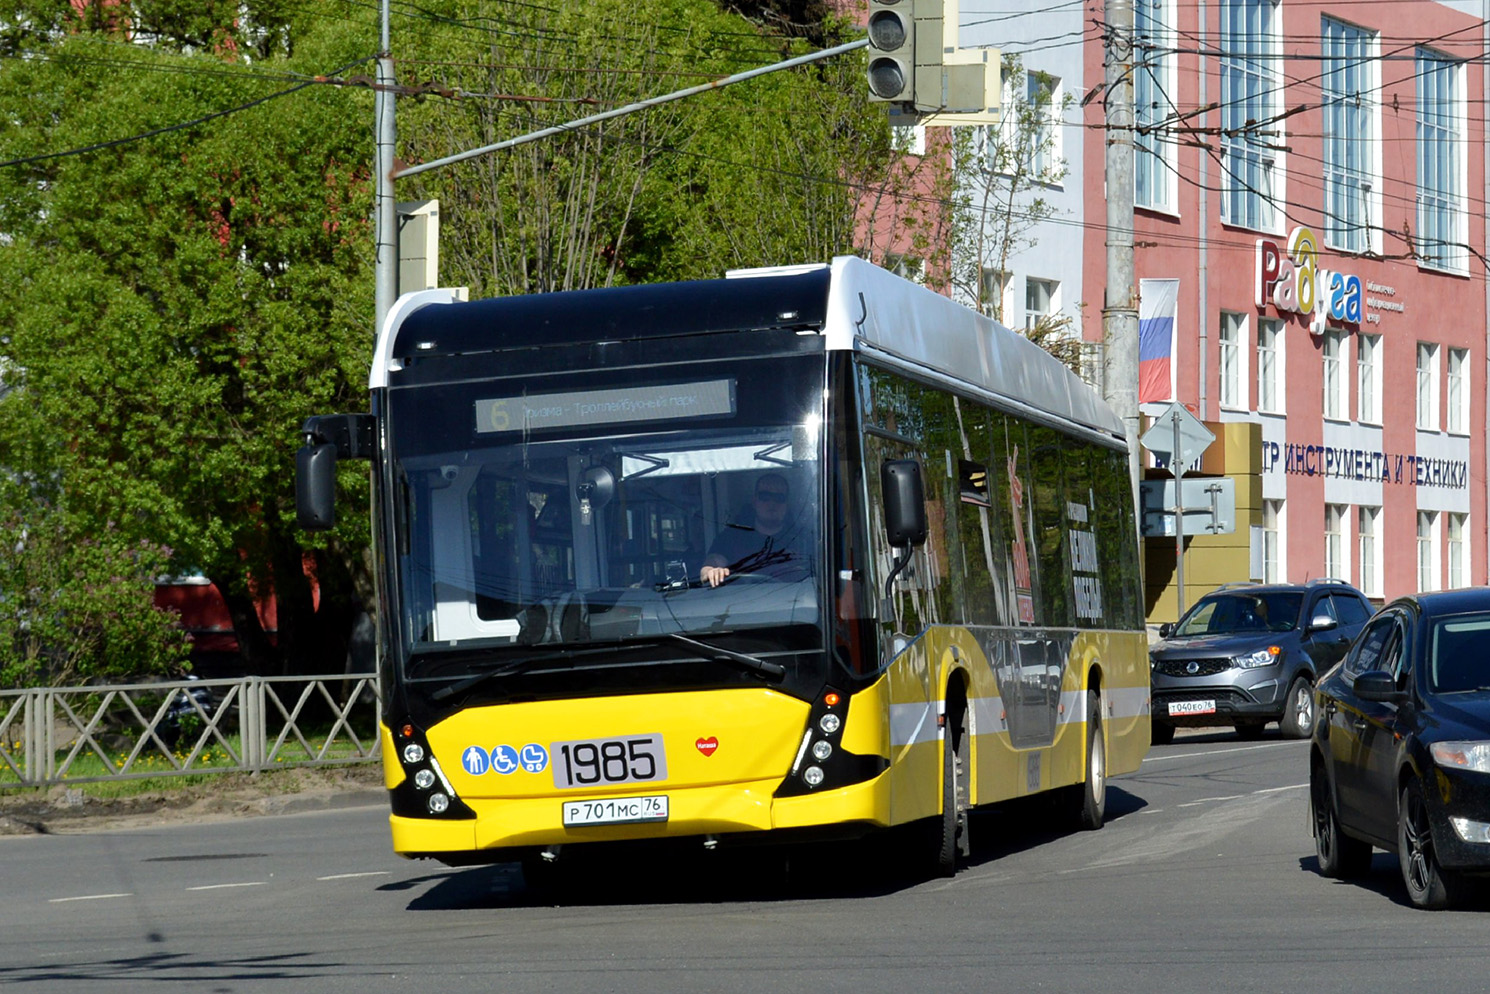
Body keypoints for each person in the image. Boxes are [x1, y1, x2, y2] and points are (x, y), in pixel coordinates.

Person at [699, 473, 809, 587]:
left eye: (779, 498)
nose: (771, 503)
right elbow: (712, 563)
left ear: (787, 504)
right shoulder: (731, 538)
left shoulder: (802, 540)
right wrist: (711, 571)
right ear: (754, 501)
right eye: (765, 496)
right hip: (739, 598)